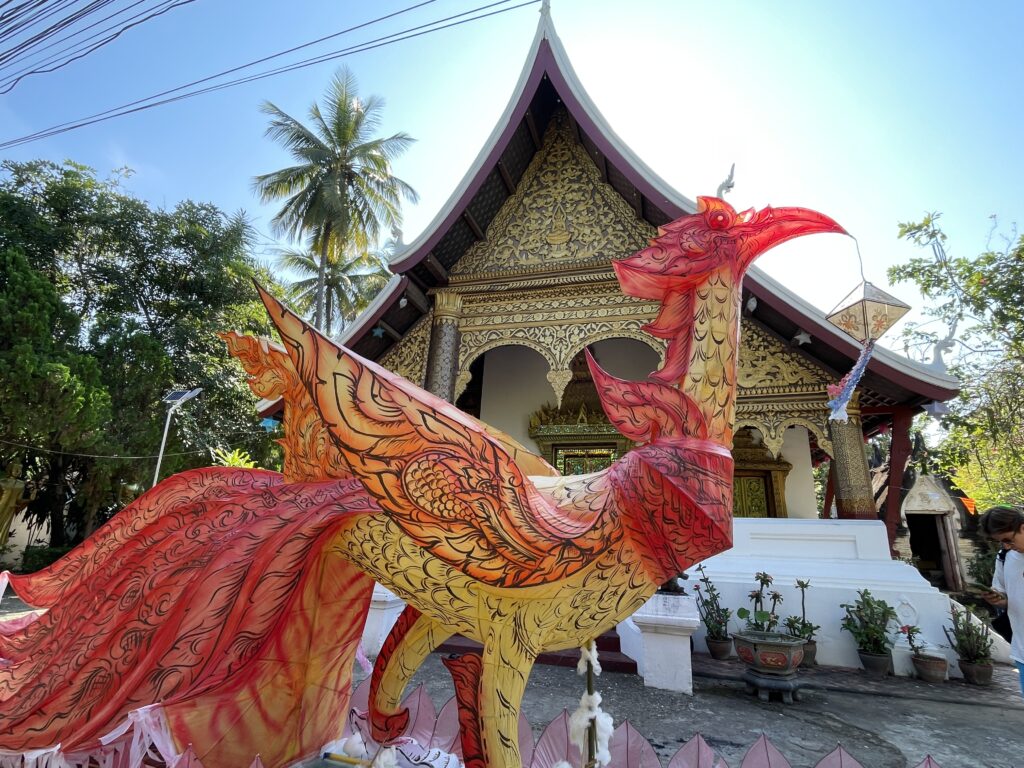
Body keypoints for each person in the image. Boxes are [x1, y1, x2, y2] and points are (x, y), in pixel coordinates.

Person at [980, 505, 1024, 697]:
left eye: (1008, 539)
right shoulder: (1005, 557)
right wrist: (998, 601)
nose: (1006, 545)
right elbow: (1007, 595)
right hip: (1022, 650)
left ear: (1022, 527)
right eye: (1001, 542)